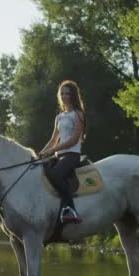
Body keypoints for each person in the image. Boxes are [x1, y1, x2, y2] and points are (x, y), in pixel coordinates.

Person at [38, 80, 86, 224]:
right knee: (39, 169)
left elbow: (74, 139)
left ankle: (70, 209)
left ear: (73, 95)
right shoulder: (59, 117)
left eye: (67, 93)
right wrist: (39, 154)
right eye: (62, 93)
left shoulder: (77, 114)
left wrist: (53, 150)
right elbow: (53, 139)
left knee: (56, 173)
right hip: (59, 156)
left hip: (72, 155)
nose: (65, 96)